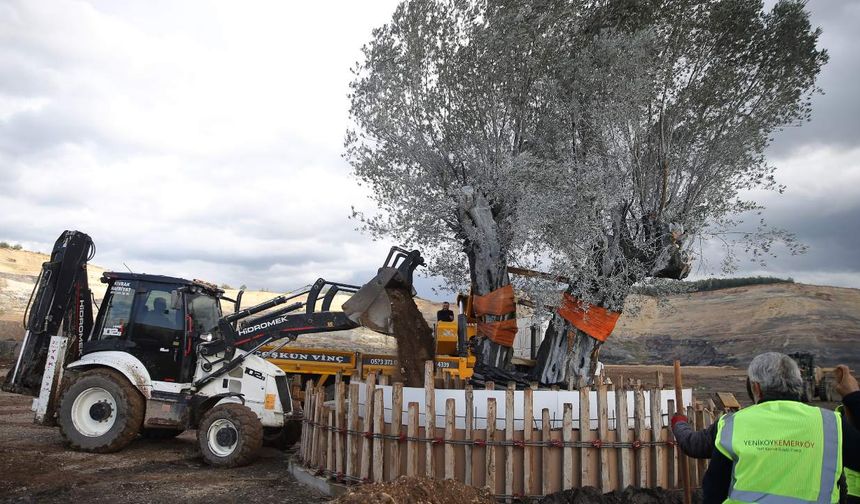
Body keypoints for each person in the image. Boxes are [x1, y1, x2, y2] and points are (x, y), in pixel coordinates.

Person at [702, 352, 860, 504]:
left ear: (756, 388)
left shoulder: (733, 424)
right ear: (799, 383)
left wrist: (679, 423)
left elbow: (713, 491)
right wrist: (853, 397)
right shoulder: (831, 424)